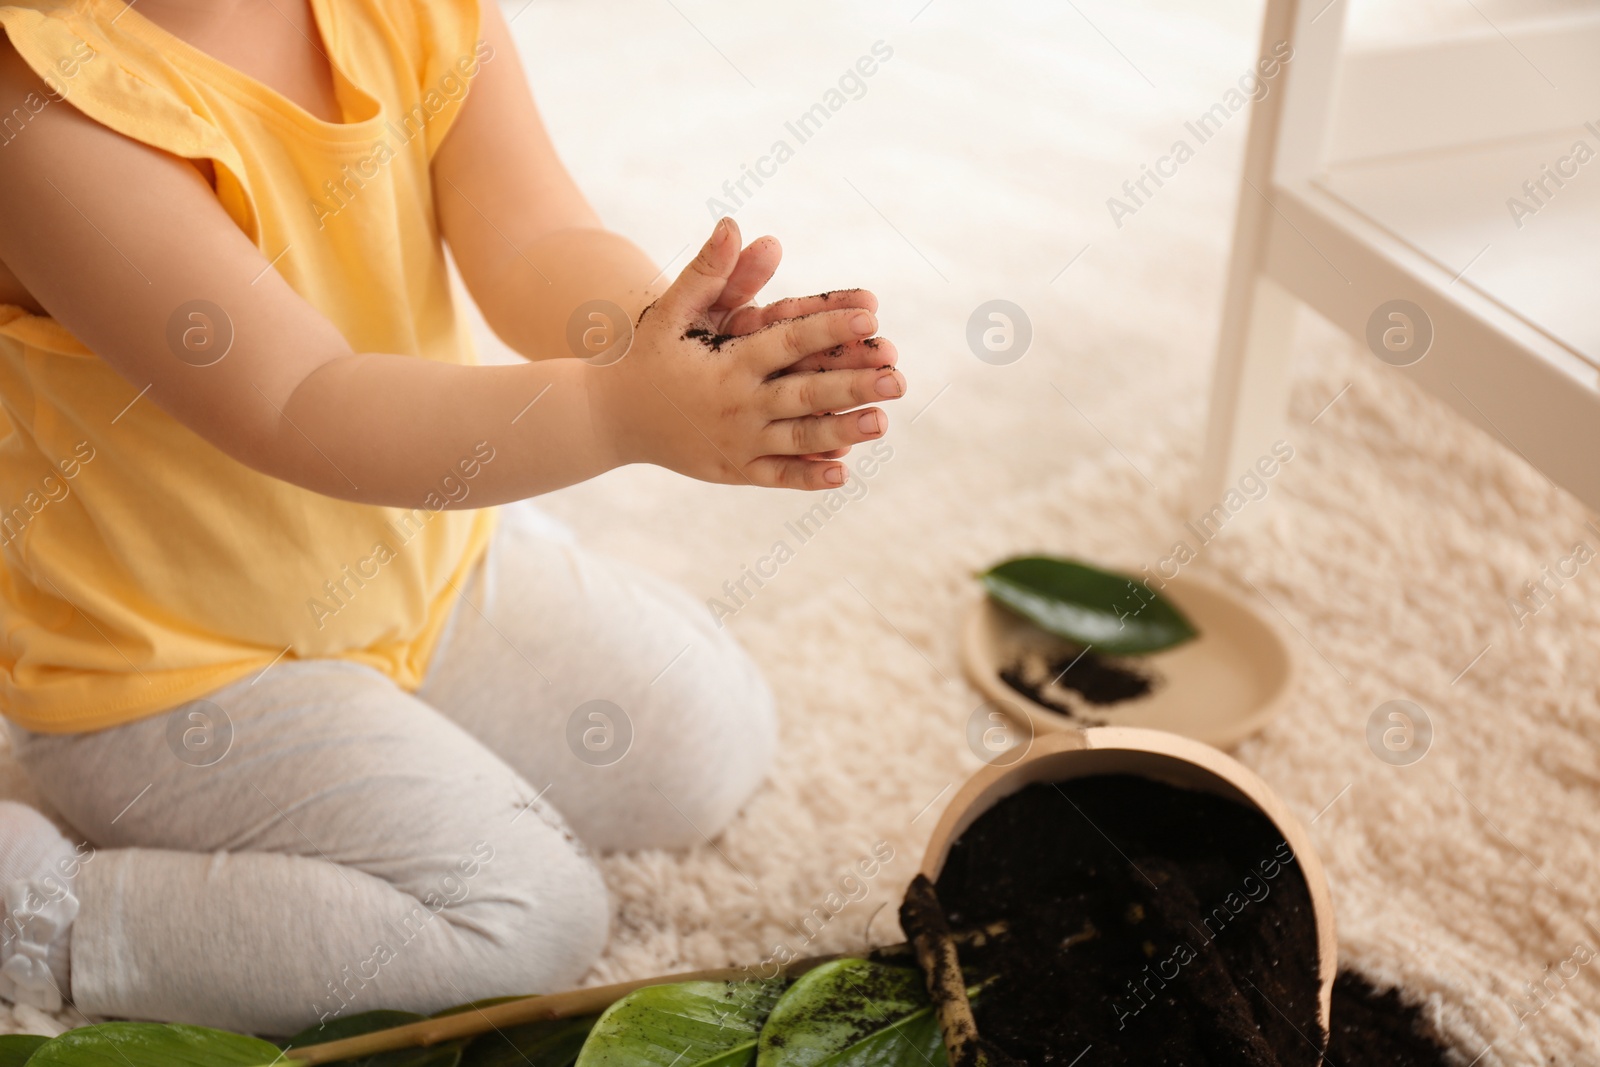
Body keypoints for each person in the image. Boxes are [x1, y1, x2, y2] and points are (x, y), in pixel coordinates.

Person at [0, 0, 904, 1034]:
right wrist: (616, 415)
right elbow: (298, 400)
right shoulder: (43, 113)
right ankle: (42, 907)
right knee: (521, 926)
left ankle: (470, 582)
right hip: (175, 672)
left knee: (709, 737)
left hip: (419, 560)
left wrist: (661, 339)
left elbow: (531, 235)